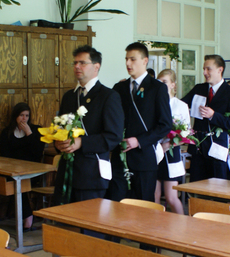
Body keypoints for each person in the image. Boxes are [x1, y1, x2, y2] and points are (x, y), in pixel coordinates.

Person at [53, 45, 123, 204]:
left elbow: (114, 136)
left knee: (88, 219)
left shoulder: (108, 96)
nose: (77, 66)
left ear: (96, 66)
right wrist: (58, 143)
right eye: (75, 63)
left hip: (91, 174)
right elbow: (59, 127)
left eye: (82, 63)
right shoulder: (69, 96)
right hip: (67, 173)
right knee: (62, 218)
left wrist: (81, 142)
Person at [108, 43, 172, 202]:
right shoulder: (119, 87)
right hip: (120, 157)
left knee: (142, 206)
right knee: (117, 204)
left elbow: (165, 124)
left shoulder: (157, 88)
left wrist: (139, 141)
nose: (128, 63)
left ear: (145, 60)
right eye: (126, 59)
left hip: (144, 158)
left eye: (133, 59)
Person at [181, 55, 230, 182]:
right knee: (196, 184)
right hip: (198, 146)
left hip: (217, 147)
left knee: (216, 185)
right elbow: (181, 105)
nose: (205, 72)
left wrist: (213, 115)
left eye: (208, 69)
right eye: (204, 69)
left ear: (220, 69)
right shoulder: (199, 88)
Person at [0, 102, 45, 229]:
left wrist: (29, 134)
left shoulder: (35, 130)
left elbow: (37, 152)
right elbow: (4, 155)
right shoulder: (7, 132)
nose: (24, 119)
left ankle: (28, 217)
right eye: (21, 115)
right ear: (15, 116)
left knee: (19, 183)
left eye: (26, 116)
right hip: (12, 170)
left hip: (31, 172)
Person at [155, 69, 189, 214]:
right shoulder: (154, 103)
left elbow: (186, 133)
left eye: (164, 82)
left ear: (173, 85)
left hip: (171, 151)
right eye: (159, 82)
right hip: (156, 150)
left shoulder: (180, 105)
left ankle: (182, 224)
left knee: (171, 197)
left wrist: (168, 144)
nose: (161, 85)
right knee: (154, 196)